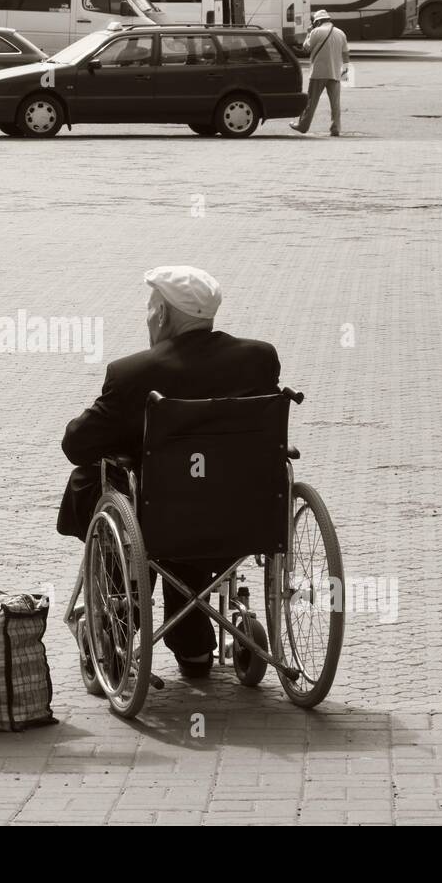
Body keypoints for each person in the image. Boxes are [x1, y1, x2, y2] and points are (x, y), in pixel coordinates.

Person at [56, 266, 281, 678]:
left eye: (149, 309)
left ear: (161, 315)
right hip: (245, 517)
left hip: (160, 519)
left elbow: (77, 445)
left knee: (97, 481)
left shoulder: (134, 374)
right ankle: (193, 646)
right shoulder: (259, 359)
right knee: (195, 495)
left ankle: (119, 618)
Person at [289, 10, 349, 137]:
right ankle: (335, 128)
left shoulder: (316, 31)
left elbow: (306, 48)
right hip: (335, 73)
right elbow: (345, 53)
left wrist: (308, 33)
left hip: (318, 73)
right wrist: (345, 68)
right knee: (335, 103)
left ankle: (303, 126)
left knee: (311, 101)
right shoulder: (340, 33)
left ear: (318, 21)